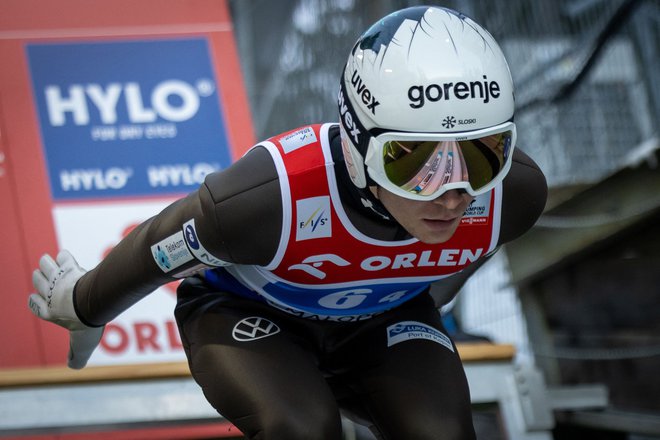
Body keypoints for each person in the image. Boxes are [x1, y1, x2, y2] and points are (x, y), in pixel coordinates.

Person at [29, 6, 547, 440]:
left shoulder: (512, 195)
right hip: (248, 312)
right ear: (356, 143)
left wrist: (410, 293)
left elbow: (467, 247)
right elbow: (156, 251)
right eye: (415, 164)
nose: (453, 193)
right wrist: (83, 304)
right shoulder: (266, 200)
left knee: (441, 432)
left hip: (383, 315)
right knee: (299, 427)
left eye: (484, 156)